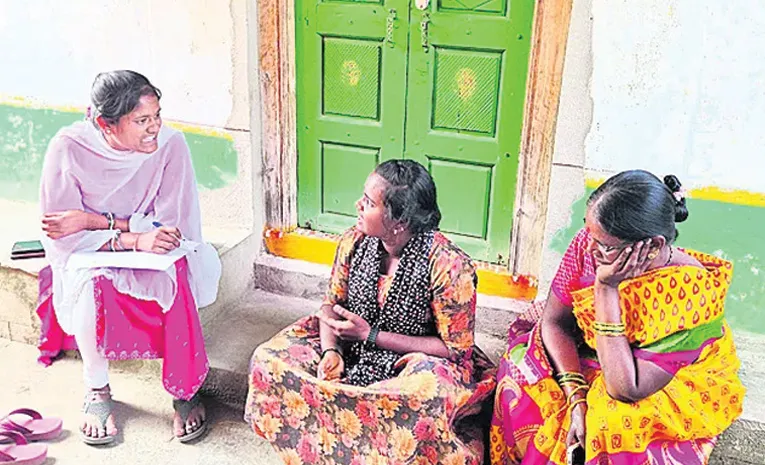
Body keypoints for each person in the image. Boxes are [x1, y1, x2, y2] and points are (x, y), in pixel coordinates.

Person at [245, 160, 496, 464]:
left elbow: (455, 349)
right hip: (351, 345)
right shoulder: (354, 240)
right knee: (269, 360)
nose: (357, 206)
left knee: (422, 397)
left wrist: (372, 335)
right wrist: (330, 353)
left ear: (399, 221)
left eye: (368, 202)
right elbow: (330, 306)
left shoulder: (449, 266)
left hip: (417, 358)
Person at [490, 170, 745, 465]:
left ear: (653, 246)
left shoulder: (690, 293)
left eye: (607, 246)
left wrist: (606, 288)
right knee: (520, 369)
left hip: (660, 376)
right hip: (598, 353)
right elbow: (554, 322)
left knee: (612, 424)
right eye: (589, 233)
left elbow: (625, 389)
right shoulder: (591, 242)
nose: (589, 249)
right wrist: (576, 397)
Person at [36, 70, 221, 445]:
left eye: (157, 116)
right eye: (141, 121)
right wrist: (129, 237)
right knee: (89, 286)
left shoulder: (171, 146)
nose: (154, 128)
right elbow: (63, 238)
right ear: (106, 123)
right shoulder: (68, 147)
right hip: (95, 253)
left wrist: (94, 221)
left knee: (174, 275)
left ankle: (185, 389)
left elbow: (172, 227)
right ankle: (97, 388)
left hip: (150, 248)